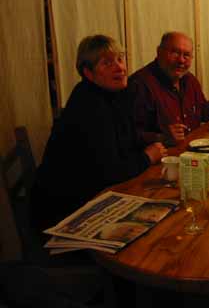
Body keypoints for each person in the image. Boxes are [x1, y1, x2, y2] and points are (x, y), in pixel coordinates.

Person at [31, 34, 168, 234]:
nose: (119, 67)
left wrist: (155, 142)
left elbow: (125, 142)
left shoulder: (116, 95)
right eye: (107, 63)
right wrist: (148, 156)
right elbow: (111, 171)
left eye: (120, 59)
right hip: (65, 214)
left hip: (94, 195)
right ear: (88, 73)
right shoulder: (90, 105)